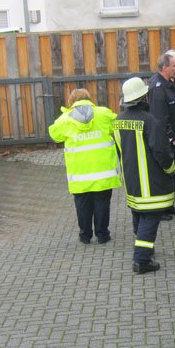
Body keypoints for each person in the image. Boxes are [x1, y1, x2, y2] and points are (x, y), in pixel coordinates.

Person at [113, 77, 175, 274]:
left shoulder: (118, 121)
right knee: (150, 217)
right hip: (150, 181)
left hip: (132, 181)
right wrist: (171, 170)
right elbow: (162, 152)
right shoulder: (149, 121)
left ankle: (143, 247)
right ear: (143, 98)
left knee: (138, 214)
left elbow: (119, 151)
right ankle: (141, 259)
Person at [48, 88, 121, 244]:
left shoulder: (65, 119)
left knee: (82, 205)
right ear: (89, 98)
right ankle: (102, 234)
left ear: (71, 101)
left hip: (79, 174)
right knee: (102, 203)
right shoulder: (103, 114)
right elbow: (117, 127)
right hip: (103, 172)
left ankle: (85, 235)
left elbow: (54, 135)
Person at [148, 52, 175, 215]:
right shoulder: (158, 88)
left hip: (174, 140)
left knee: (172, 174)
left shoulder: (167, 84)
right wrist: (172, 136)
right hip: (167, 141)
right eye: (174, 66)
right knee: (164, 174)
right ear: (164, 67)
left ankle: (168, 206)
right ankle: (161, 209)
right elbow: (159, 117)